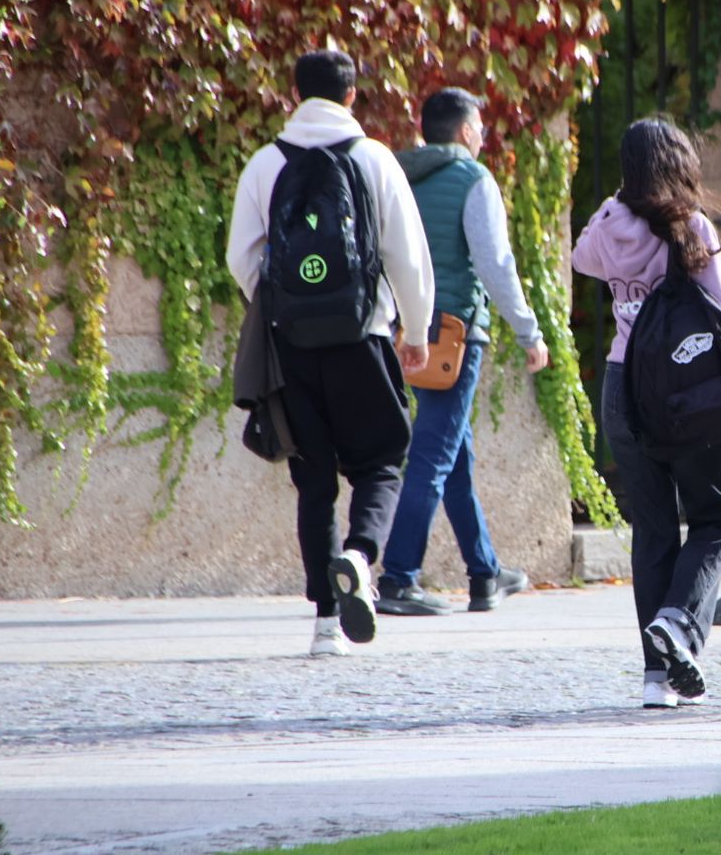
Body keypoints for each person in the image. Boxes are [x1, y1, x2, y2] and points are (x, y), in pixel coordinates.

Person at [226, 49, 434, 657]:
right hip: (363, 338)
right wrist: (414, 332)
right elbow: (407, 256)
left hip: (291, 348)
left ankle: (324, 626)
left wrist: (287, 306)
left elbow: (243, 256)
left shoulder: (265, 164)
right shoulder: (374, 159)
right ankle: (360, 558)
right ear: (351, 96)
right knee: (381, 462)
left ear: (295, 93)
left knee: (313, 481)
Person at [572, 117, 721, 709]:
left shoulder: (608, 228)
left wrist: (614, 203)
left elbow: (580, 258)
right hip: (687, 389)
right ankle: (680, 623)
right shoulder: (691, 227)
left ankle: (658, 678)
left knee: (652, 530)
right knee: (716, 517)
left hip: (624, 389)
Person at [376, 88, 548, 616]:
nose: (484, 137)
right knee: (432, 456)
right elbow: (494, 265)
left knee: (454, 456)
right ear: (466, 131)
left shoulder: (397, 177)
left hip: (405, 331)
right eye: (482, 128)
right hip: (455, 335)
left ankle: (484, 573)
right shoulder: (474, 179)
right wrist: (529, 332)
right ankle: (398, 578)